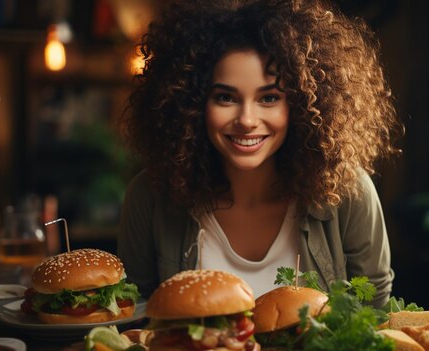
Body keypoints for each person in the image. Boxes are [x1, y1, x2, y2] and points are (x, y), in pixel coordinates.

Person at [117, 0, 403, 306]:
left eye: (268, 98)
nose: (247, 120)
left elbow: (374, 310)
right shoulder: (149, 196)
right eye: (225, 97)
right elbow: (135, 314)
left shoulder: (349, 192)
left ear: (303, 104)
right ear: (191, 104)